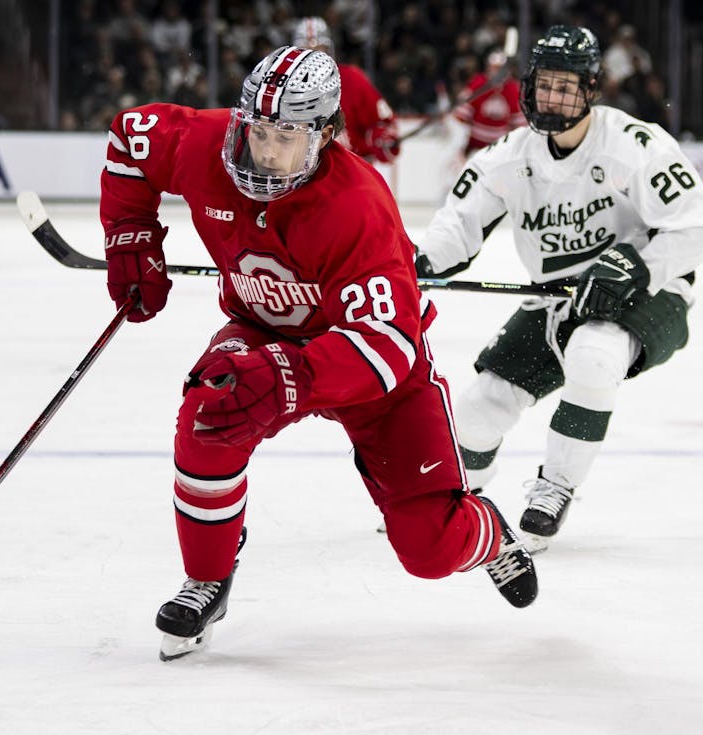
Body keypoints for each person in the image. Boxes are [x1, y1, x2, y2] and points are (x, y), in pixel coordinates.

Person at [99, 45, 538, 661]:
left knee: (429, 551)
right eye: (256, 131)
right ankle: (207, 578)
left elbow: (388, 346)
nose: (265, 152)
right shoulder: (203, 146)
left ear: (326, 136)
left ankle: (486, 533)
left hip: (370, 371)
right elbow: (128, 141)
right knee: (210, 411)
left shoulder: (358, 207)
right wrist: (131, 237)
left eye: (286, 137)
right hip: (263, 329)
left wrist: (291, 377)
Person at [414, 26, 703, 551]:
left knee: (593, 355)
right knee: (479, 411)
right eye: (544, 85)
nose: (552, 98)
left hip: (650, 293)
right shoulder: (510, 155)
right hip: (559, 300)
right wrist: (418, 263)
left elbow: (695, 228)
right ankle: (462, 503)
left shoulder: (633, 144)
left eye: (566, 87)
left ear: (591, 89)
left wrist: (634, 265)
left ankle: (555, 487)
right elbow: (458, 225)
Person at [293, 17, 401, 164]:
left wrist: (381, 137)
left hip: (352, 174)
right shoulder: (285, 90)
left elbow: (384, 122)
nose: (313, 59)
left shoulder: (352, 79)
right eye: (307, 52)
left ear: (329, 51)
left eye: (319, 50)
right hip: (304, 179)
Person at [451, 47, 525, 157]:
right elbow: (460, 116)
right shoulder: (478, 83)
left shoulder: (513, 88)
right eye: (494, 68)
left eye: (501, 69)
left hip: (500, 148)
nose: (497, 73)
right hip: (475, 146)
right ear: (488, 67)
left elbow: (520, 125)